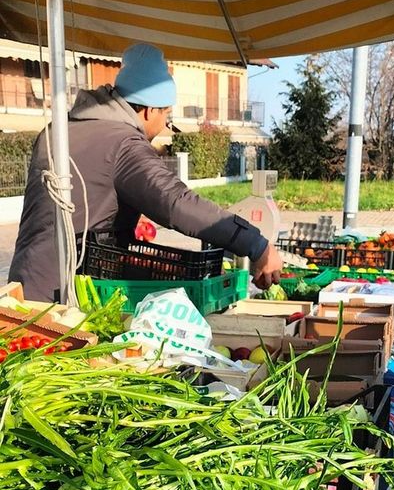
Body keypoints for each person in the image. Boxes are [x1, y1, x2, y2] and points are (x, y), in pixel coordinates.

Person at [9, 43, 282, 301]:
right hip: (64, 292)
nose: (165, 125)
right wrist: (256, 245)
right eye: (167, 114)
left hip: (26, 280)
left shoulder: (57, 130)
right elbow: (176, 203)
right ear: (150, 110)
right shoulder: (123, 143)